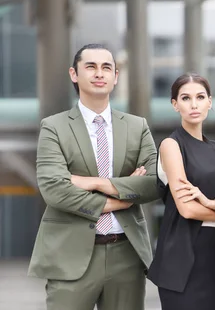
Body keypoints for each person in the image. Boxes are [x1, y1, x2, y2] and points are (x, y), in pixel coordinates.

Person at [28, 43, 159, 310]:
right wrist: (117, 200)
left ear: (115, 76)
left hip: (127, 253)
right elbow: (54, 188)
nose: (99, 73)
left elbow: (153, 182)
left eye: (106, 67)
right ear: (74, 74)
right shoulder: (53, 127)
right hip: (70, 254)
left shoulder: (137, 126)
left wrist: (97, 183)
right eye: (91, 66)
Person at [147, 73, 215, 310]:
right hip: (182, 253)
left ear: (210, 101)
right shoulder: (171, 145)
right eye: (185, 98)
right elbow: (187, 209)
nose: (194, 104)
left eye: (200, 97)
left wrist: (208, 203)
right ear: (175, 104)